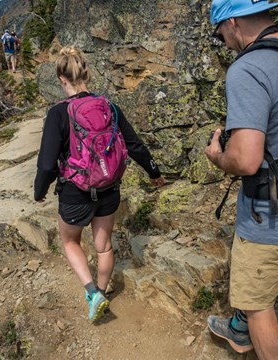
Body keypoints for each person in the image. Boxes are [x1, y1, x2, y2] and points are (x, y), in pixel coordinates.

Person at [204, 1, 278, 359]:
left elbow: (245, 158)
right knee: (256, 289)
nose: (224, 42)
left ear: (232, 22)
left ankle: (251, 334)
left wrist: (217, 155)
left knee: (258, 305)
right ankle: (238, 333)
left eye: (220, 32)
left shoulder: (248, 69)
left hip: (271, 217)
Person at [34, 46, 165, 322]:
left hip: (75, 191)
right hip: (109, 189)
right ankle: (102, 291)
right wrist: (154, 172)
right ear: (87, 74)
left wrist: (39, 191)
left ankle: (93, 293)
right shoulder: (109, 107)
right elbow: (134, 146)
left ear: (61, 78)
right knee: (103, 246)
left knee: (70, 241)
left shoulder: (59, 114)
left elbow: (47, 164)